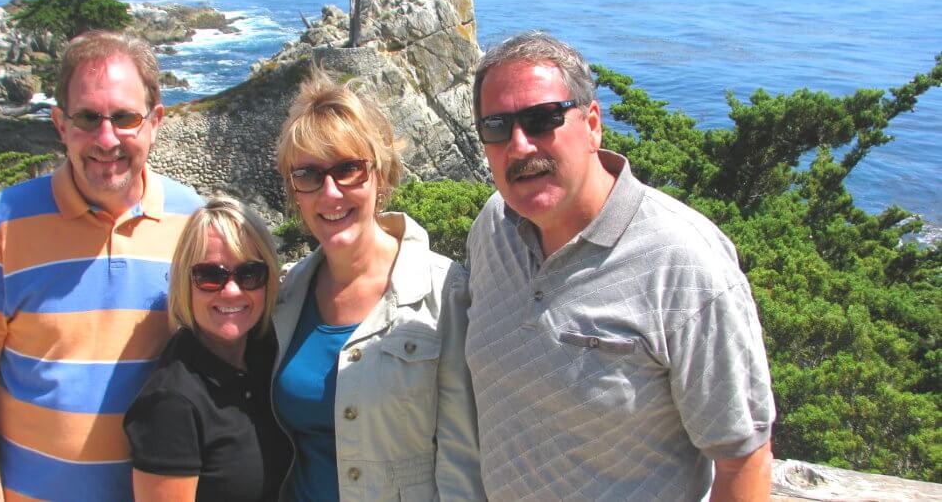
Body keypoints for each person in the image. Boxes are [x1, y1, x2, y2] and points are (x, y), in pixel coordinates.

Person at [465, 32, 776, 501]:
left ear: (592, 124)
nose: (520, 145)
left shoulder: (682, 260)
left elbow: (743, 460)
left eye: (542, 119)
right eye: (497, 126)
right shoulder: (493, 228)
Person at [0, 31, 203, 501]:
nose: (106, 138)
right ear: (60, 124)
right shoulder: (4, 224)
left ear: (155, 122)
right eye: (88, 117)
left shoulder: (193, 222)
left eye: (125, 117)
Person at [271, 72, 484, 501]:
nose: (330, 193)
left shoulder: (443, 294)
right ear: (294, 191)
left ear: (380, 174)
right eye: (309, 175)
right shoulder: (286, 294)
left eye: (348, 169)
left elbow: (462, 463)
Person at [124, 196, 293, 502]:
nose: (231, 291)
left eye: (249, 274)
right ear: (185, 282)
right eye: (210, 276)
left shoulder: (272, 358)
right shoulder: (172, 403)